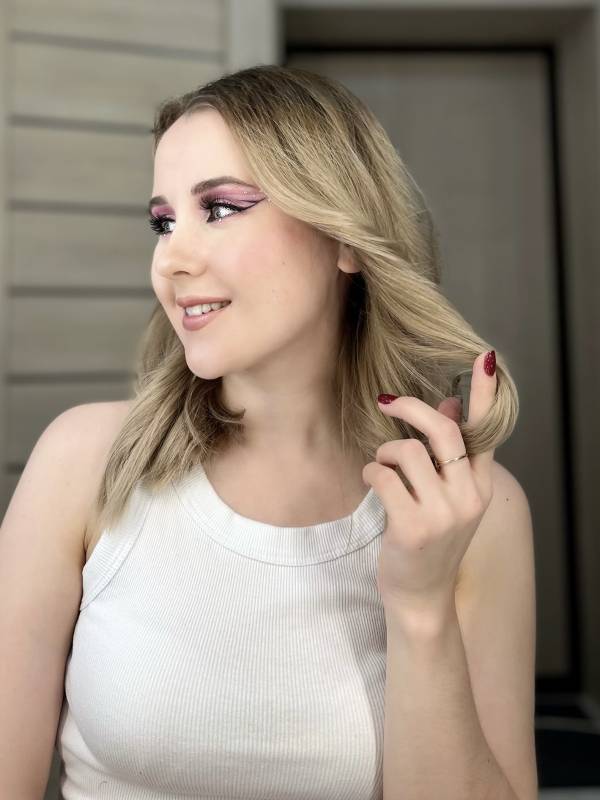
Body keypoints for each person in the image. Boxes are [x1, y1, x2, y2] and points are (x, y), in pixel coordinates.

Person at [1, 64, 537, 799]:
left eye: (220, 209)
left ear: (344, 238)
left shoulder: (474, 509)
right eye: (163, 222)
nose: (170, 259)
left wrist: (421, 607)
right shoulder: (86, 463)